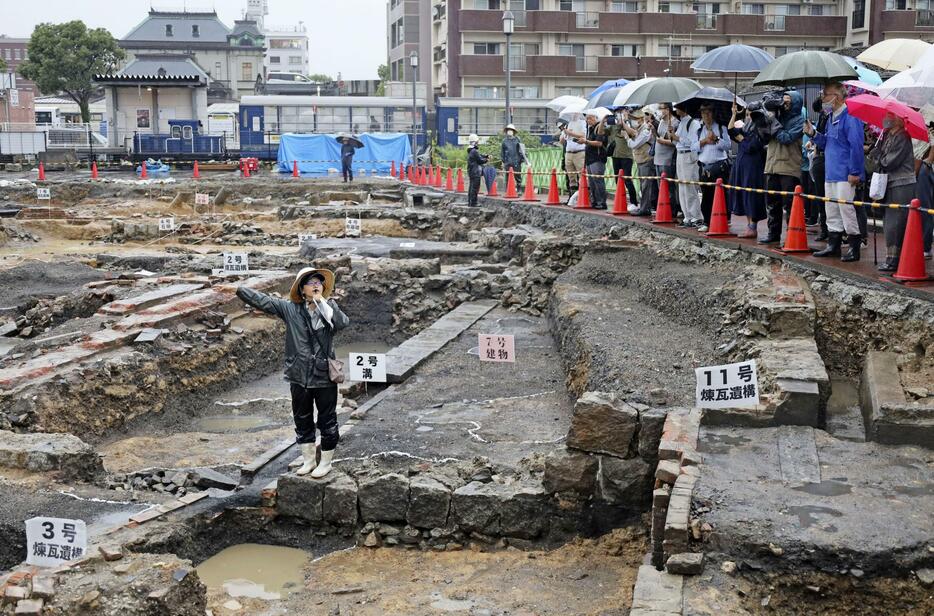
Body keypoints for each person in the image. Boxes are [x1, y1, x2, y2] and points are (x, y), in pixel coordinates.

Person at [236, 268, 349, 478]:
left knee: (328, 420)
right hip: (298, 375)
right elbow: (263, 301)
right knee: (302, 418)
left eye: (319, 282)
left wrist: (321, 302)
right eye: (311, 282)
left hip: (323, 375)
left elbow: (343, 323)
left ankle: (325, 463)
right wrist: (237, 288)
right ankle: (307, 461)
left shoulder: (329, 307)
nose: (316, 285)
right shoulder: (290, 309)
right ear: (301, 288)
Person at [805, 82, 866, 261]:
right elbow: (828, 143)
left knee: (846, 209)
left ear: (837, 97)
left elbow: (856, 146)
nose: (822, 98)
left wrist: (855, 171)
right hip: (831, 171)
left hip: (845, 172)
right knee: (831, 208)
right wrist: (814, 134)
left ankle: (854, 246)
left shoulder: (851, 117)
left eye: (825, 95)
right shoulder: (832, 117)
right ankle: (834, 244)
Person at [870, 112, 916, 272]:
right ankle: (891, 257)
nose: (886, 118)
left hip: (901, 184)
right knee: (889, 221)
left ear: (898, 119)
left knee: (896, 222)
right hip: (890, 183)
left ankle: (894, 260)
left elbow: (889, 162)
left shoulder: (903, 137)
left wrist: (877, 157)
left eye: (890, 115)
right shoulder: (888, 135)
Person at [759, 91, 805, 243]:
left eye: (788, 101)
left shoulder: (800, 121)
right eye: (783, 101)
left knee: (790, 204)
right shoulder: (776, 116)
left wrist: (773, 124)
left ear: (796, 103)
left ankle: (792, 236)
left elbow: (787, 138)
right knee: (772, 204)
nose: (785, 105)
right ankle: (773, 235)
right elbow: (764, 137)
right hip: (771, 165)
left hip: (789, 167)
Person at [728, 101, 767, 238]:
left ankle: (753, 226)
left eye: (751, 115)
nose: (748, 118)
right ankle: (749, 225)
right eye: (747, 114)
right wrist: (734, 114)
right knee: (743, 193)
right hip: (742, 165)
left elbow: (751, 146)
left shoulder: (761, 129)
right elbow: (731, 130)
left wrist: (741, 139)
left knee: (751, 195)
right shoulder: (745, 129)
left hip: (753, 167)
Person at [694, 103, 732, 233]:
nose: (706, 115)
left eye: (708, 112)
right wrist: (704, 141)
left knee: (721, 195)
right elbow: (693, 147)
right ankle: (706, 221)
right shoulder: (699, 130)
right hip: (704, 167)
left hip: (719, 166)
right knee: (706, 195)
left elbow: (727, 146)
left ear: (713, 113)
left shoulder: (721, 128)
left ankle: (724, 219)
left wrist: (716, 139)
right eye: (703, 112)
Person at [671, 106, 703, 228]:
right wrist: (673, 136)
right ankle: (687, 216)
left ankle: (696, 216)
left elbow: (692, 142)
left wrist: (677, 138)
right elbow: (676, 143)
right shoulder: (681, 123)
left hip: (689, 155)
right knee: (682, 187)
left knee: (690, 187)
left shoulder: (693, 123)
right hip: (680, 155)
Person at [623, 108, 656, 215]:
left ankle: (645, 209)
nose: (633, 120)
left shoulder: (646, 130)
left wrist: (627, 138)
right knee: (643, 185)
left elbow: (635, 144)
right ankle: (644, 207)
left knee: (646, 186)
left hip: (646, 160)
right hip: (641, 160)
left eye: (635, 118)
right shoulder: (640, 129)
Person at [608, 110, 639, 209]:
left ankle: (634, 202)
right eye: (617, 113)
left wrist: (624, 122)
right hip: (615, 156)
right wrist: (604, 120)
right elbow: (602, 131)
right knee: (618, 180)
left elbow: (633, 133)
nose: (619, 115)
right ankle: (621, 201)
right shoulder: (614, 126)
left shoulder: (630, 123)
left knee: (627, 179)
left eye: (621, 113)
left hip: (626, 157)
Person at [654, 103, 680, 218]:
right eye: (660, 108)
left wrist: (662, 141)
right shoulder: (660, 122)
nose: (661, 111)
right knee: (661, 186)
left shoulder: (674, 122)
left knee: (669, 186)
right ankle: (663, 208)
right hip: (658, 157)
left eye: (663, 108)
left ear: (668, 109)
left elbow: (674, 142)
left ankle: (672, 210)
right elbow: (658, 137)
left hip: (668, 159)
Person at [582, 112, 609, 209]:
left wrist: (586, 141)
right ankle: (595, 201)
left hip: (597, 158)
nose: (588, 120)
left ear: (596, 118)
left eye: (590, 118)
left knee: (598, 180)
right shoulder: (590, 129)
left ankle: (602, 202)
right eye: (587, 118)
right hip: (589, 158)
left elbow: (599, 143)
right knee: (592, 182)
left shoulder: (600, 127)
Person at [560, 113, 587, 201]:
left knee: (582, 175)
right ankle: (572, 198)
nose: (573, 114)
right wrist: (564, 133)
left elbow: (583, 135)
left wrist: (570, 133)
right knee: (571, 176)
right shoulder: (568, 123)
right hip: (568, 152)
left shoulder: (582, 122)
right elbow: (562, 140)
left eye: (575, 112)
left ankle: (583, 198)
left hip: (579, 151)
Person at [501, 124, 528, 190]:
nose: (509, 131)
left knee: (518, 176)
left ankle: (519, 190)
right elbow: (502, 152)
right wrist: (503, 161)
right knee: (508, 177)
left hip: (516, 161)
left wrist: (523, 159)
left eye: (511, 130)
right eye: (508, 130)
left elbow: (521, 150)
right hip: (508, 162)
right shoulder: (504, 141)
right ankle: (508, 190)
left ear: (513, 131)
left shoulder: (517, 139)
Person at [466, 134, 488, 207]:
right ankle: (474, 203)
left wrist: (485, 156)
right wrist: (486, 160)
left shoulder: (470, 151)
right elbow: (480, 160)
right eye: (477, 142)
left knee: (471, 187)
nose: (478, 143)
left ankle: (470, 202)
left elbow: (479, 156)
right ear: (475, 142)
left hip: (471, 171)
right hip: (476, 172)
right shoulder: (474, 151)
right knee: (475, 188)